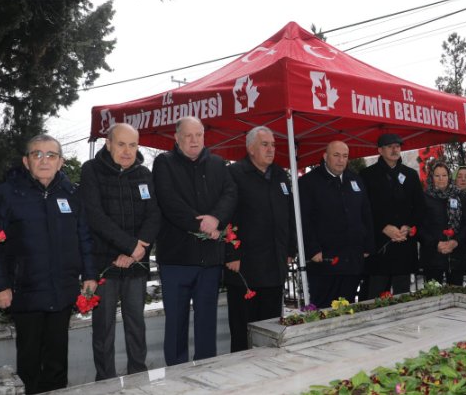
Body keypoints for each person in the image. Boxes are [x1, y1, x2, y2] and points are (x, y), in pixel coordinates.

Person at [0, 134, 96, 394]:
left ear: (60, 162)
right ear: (26, 161)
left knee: (57, 361)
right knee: (29, 361)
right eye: (37, 154)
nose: (44, 160)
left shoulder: (72, 194)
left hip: (63, 291)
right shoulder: (7, 194)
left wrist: (89, 275)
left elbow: (84, 238)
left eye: (51, 155)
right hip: (26, 292)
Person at [152, 116, 237, 365]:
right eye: (188, 135)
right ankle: (177, 377)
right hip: (177, 260)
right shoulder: (164, 163)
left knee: (206, 323)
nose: (194, 140)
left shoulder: (218, 164)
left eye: (198, 135)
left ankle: (206, 370)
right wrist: (201, 223)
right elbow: (168, 201)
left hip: (209, 260)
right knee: (176, 323)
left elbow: (230, 194)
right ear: (176, 138)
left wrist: (216, 218)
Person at [80, 123, 160, 380]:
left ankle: (139, 377)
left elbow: (155, 214)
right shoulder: (91, 170)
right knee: (103, 329)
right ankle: (106, 381)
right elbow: (95, 216)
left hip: (136, 263)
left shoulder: (144, 174)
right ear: (108, 143)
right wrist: (129, 246)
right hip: (105, 265)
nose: (127, 151)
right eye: (121, 144)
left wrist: (139, 248)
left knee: (136, 324)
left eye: (133, 145)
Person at [225, 126, 296, 352]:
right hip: (245, 267)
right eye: (265, 144)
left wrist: (290, 250)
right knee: (243, 329)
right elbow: (226, 216)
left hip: (274, 265)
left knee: (271, 327)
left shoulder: (279, 175)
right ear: (251, 148)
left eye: (273, 145)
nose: (271, 149)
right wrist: (231, 254)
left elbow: (290, 215)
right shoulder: (235, 174)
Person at [299, 140, 373, 308]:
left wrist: (367, 245)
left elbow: (366, 214)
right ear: (325, 156)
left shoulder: (355, 180)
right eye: (336, 155)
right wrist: (312, 248)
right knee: (325, 308)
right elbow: (304, 219)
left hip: (352, 260)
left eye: (345, 156)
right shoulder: (308, 183)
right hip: (324, 261)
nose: (341, 160)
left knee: (347, 308)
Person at [359, 133, 424, 300]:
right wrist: (383, 227)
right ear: (380, 150)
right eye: (390, 146)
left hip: (404, 244)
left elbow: (419, 207)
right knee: (375, 296)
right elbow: (364, 210)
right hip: (380, 247)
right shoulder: (367, 175)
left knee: (403, 297)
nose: (395, 149)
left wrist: (408, 227)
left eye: (397, 146)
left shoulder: (410, 175)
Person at [418, 162, 466, 286]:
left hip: (457, 256)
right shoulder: (424, 198)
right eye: (437, 176)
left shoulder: (460, 196)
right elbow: (420, 227)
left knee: (456, 295)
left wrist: (455, 241)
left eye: (444, 175)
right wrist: (436, 244)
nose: (441, 179)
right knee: (433, 296)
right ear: (431, 177)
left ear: (449, 177)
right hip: (432, 257)